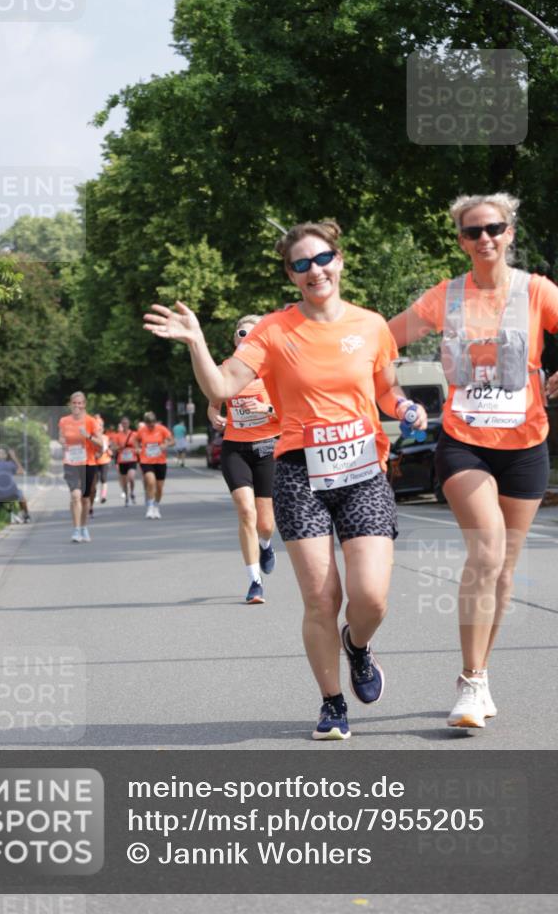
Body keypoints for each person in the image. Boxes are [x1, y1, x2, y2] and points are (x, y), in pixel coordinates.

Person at [144, 220, 426, 740]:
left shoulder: (371, 326)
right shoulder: (273, 331)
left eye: (322, 259)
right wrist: (196, 342)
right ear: (291, 275)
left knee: (371, 599)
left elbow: (386, 389)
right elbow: (224, 384)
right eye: (301, 264)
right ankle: (331, 703)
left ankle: (358, 647)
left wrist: (405, 406)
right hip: (299, 473)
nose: (314, 270)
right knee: (321, 598)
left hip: (363, 471)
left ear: (338, 261)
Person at [388, 192, 558, 729]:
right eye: (472, 231)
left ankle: (480, 675)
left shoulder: (537, 291)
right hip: (464, 442)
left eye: (494, 228)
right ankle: (468, 682)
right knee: (486, 553)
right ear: (461, 240)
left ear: (509, 233)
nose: (484, 238)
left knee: (504, 570)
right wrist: (392, 400)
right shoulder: (446, 296)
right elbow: (379, 342)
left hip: (526, 445)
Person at [207, 314, 280, 604]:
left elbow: (289, 410)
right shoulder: (224, 369)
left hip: (267, 448)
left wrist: (267, 409)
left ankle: (265, 545)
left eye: (253, 333)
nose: (246, 337)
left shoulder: (275, 371)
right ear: (235, 338)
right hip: (235, 448)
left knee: (265, 523)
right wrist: (216, 418)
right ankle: (254, 582)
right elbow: (213, 406)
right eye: (241, 332)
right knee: (246, 513)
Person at [58, 392, 103, 543]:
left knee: (85, 499)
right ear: (70, 404)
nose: (77, 406)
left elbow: (100, 443)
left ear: (84, 404)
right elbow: (61, 436)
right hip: (71, 463)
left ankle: (84, 527)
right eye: (74, 403)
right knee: (75, 496)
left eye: (80, 403)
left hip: (88, 463)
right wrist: (62, 442)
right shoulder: (64, 421)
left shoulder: (91, 421)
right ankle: (76, 530)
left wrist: (88, 436)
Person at [136, 412, 174, 518]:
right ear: (146, 423)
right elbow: (135, 439)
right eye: (149, 424)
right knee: (151, 482)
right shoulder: (142, 430)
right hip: (146, 461)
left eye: (153, 423)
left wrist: (165, 445)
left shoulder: (161, 429)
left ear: (155, 421)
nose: (151, 426)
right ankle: (150, 507)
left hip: (160, 461)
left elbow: (172, 441)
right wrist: (137, 448)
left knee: (160, 488)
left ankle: (156, 506)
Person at [0, 447, 30, 521]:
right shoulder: (10, 465)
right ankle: (26, 516)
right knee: (22, 497)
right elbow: (21, 471)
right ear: (6, 456)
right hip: (13, 494)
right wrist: (14, 457)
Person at [88, 414, 112, 516]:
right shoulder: (90, 437)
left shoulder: (105, 437)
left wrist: (108, 451)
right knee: (92, 485)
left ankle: (102, 496)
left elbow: (105, 448)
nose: (99, 428)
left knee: (103, 479)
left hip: (104, 461)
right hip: (91, 462)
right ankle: (90, 504)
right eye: (97, 426)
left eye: (100, 426)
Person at [112, 416, 139, 505]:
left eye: (126, 423)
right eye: (123, 423)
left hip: (132, 459)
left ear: (129, 424)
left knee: (131, 478)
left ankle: (132, 492)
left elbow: (138, 446)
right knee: (124, 481)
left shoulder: (134, 434)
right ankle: (127, 496)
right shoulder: (117, 435)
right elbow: (113, 447)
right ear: (121, 425)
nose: (125, 425)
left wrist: (137, 449)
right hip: (122, 460)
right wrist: (120, 447)